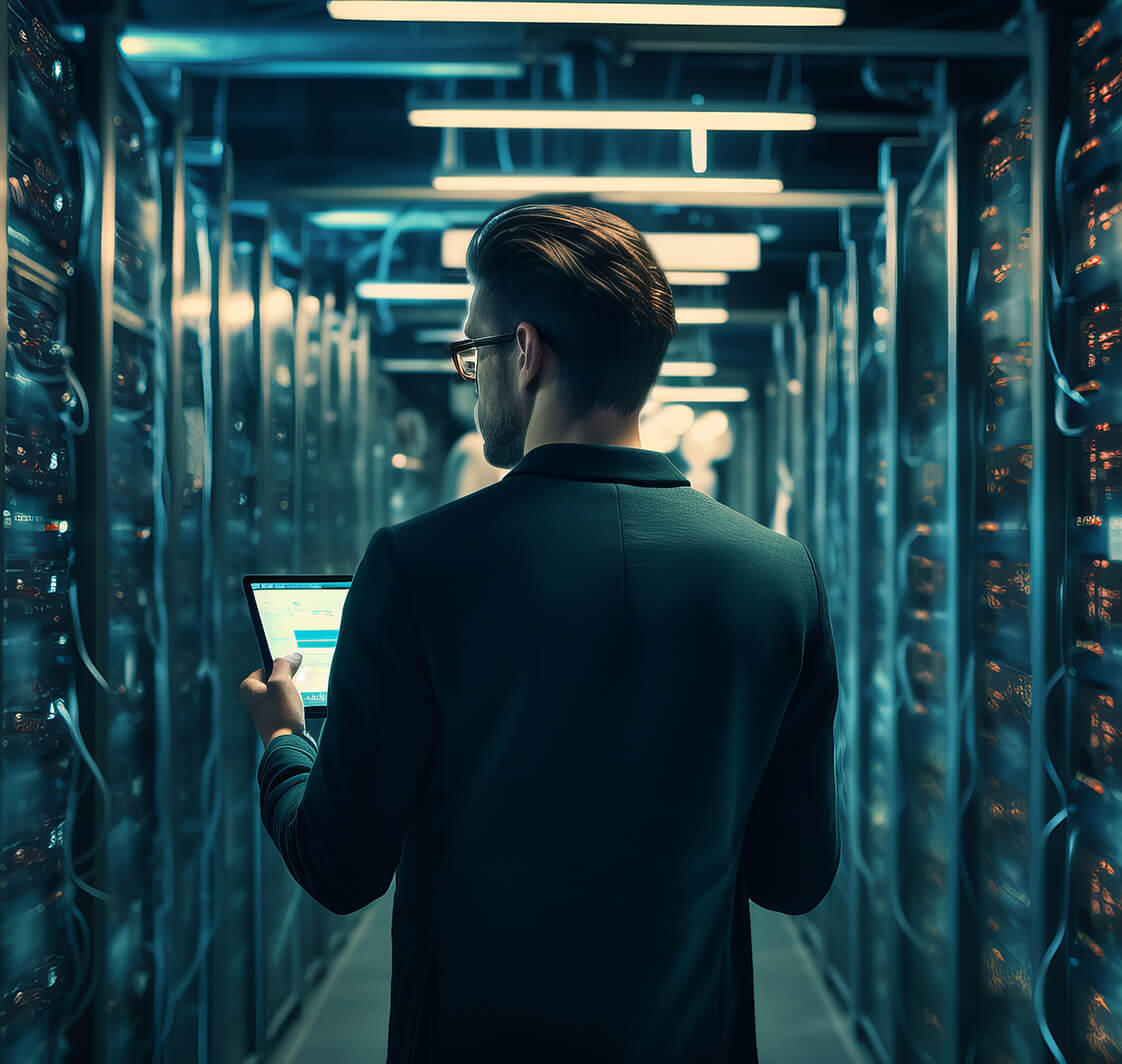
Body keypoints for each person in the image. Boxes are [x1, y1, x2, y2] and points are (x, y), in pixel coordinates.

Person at [240, 202, 840, 1064]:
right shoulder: (780, 575)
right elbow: (795, 876)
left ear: (524, 354)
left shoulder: (418, 565)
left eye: (473, 350)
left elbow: (341, 869)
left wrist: (285, 745)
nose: (471, 374)